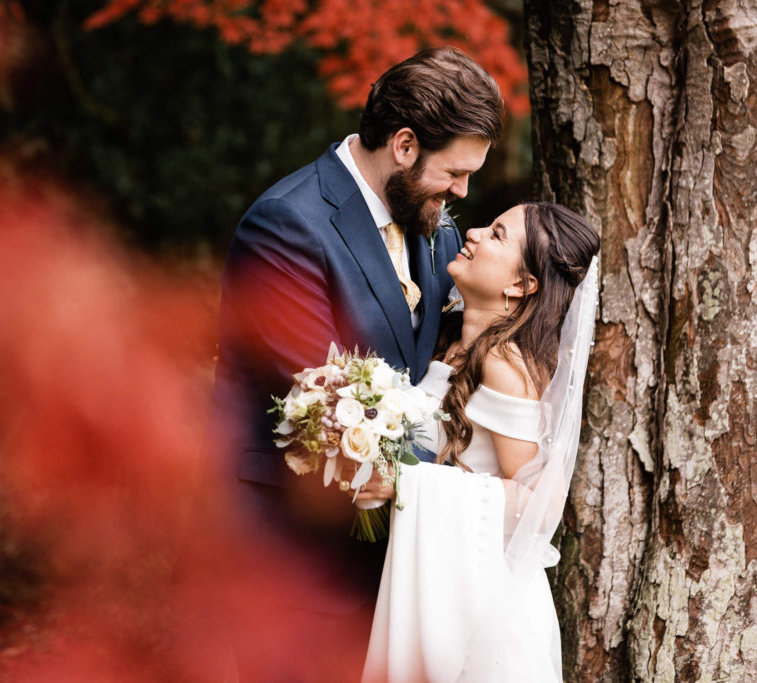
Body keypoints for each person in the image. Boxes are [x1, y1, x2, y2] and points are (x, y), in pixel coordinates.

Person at [205, 47, 505, 680]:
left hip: (398, 565)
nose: (463, 192)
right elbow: (325, 405)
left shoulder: (435, 226)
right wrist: (468, 489)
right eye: (454, 172)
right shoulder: (287, 226)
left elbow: (444, 362)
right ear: (404, 145)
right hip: (297, 562)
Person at [359, 202, 601, 682]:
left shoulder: (505, 364)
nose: (471, 233)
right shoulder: (450, 341)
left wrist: (407, 483)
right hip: (439, 590)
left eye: (496, 234)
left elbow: (539, 507)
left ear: (521, 285)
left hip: (484, 617)